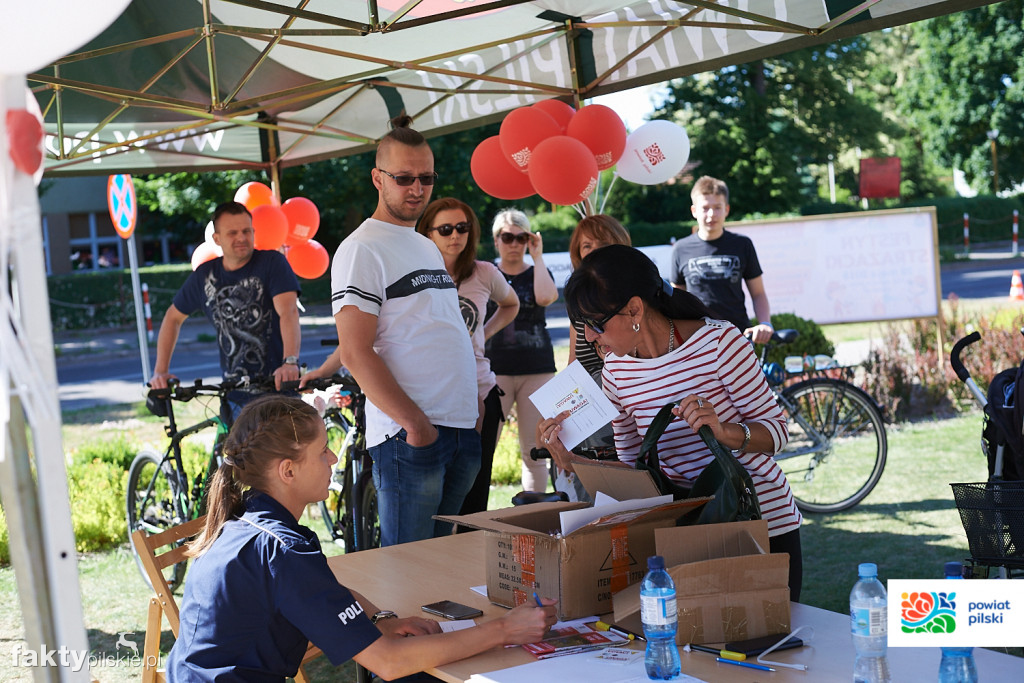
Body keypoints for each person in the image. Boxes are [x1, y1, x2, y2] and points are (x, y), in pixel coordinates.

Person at [166, 395, 557, 681]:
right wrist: (504, 630)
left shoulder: (246, 518)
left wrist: (379, 620)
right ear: (288, 471)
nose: (334, 459)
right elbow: (389, 662)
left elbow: (324, 591)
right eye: (322, 451)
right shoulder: (283, 549)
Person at [538, 245, 803, 600]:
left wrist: (723, 431)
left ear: (635, 309)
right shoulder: (616, 371)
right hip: (686, 534)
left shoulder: (719, 343)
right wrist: (571, 461)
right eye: (581, 325)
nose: (588, 336)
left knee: (771, 634)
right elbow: (636, 473)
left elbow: (778, 433)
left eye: (596, 324)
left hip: (758, 521)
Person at [308, 115, 480, 546]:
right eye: (404, 178)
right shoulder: (360, 248)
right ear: (377, 178)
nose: (417, 189)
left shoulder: (425, 245)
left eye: (426, 178)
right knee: (407, 569)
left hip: (458, 429)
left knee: (441, 564)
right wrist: (416, 426)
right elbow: (355, 352)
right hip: (412, 436)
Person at [151, 201, 301, 420]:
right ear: (217, 239)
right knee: (230, 442)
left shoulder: (271, 263)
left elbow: (288, 312)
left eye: (246, 231)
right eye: (232, 233)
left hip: (279, 391)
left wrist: (290, 362)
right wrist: (160, 371)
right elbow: (172, 317)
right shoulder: (205, 276)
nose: (241, 237)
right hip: (234, 396)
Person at [416, 197, 519, 515]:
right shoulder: (413, 275)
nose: (455, 236)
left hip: (480, 392)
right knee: (433, 504)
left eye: (462, 228)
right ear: (428, 233)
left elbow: (511, 304)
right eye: (445, 229)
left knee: (473, 501)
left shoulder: (484, 272)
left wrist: (480, 335)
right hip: (431, 399)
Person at [484, 208, 559, 493]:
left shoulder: (538, 270)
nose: (514, 244)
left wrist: (537, 257)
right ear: (496, 240)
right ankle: (475, 515)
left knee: (535, 452)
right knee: (483, 449)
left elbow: (547, 297)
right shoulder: (485, 273)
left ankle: (534, 513)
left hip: (537, 370)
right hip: (493, 372)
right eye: (507, 237)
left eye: (521, 238)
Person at [670, 176, 774, 344]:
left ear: (726, 209)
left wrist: (765, 323)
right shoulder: (680, 249)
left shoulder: (742, 245)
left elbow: (758, 293)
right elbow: (676, 301)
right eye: (705, 208)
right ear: (694, 211)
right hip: (696, 342)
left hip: (739, 339)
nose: (711, 214)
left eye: (717, 207)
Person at [566, 214, 632, 380]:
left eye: (603, 244)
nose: (595, 251)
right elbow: (573, 363)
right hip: (587, 392)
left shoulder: (635, 294)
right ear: (578, 254)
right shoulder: (577, 300)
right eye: (587, 246)